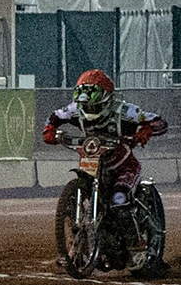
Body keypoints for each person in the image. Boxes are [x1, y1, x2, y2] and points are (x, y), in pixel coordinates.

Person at [41, 69, 169, 207]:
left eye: (94, 106)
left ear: (107, 100)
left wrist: (146, 130)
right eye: (85, 105)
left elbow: (158, 121)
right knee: (87, 183)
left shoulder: (125, 111)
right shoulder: (75, 109)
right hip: (92, 162)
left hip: (124, 165)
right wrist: (49, 131)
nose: (88, 109)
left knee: (120, 197)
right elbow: (54, 117)